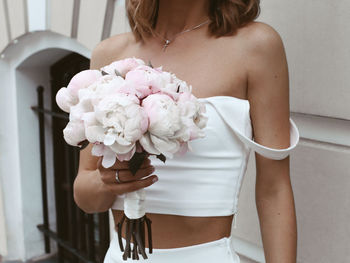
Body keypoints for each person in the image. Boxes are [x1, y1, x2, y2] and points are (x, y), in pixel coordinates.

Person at [73, 0, 300, 262]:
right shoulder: (110, 53)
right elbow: (86, 197)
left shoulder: (256, 46)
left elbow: (274, 189)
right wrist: (107, 181)